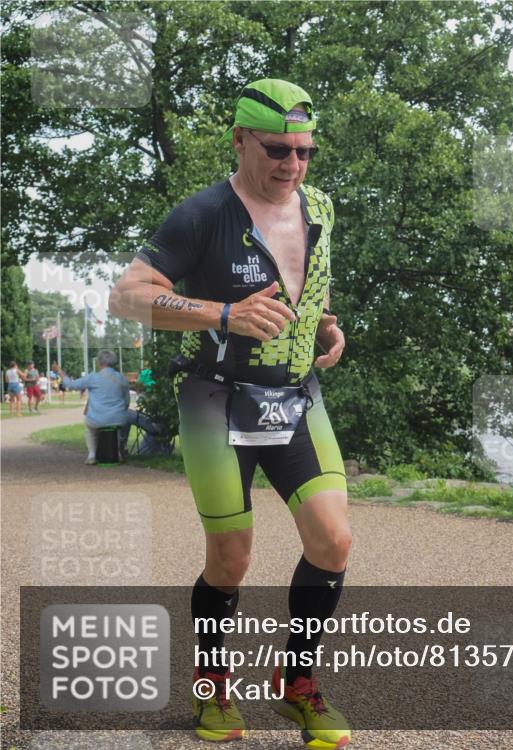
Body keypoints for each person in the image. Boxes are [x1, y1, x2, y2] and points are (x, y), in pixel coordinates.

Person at [109, 78, 350, 747]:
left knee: (333, 540)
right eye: (277, 149)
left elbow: (306, 287)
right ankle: (213, 685)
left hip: (295, 396)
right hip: (216, 398)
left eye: (305, 151)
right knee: (231, 558)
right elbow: (125, 297)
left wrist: (323, 325)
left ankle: (297, 683)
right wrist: (222, 314)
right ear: (240, 139)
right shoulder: (202, 214)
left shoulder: (320, 207)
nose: (293, 165)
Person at [53, 351, 131, 464]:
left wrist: (59, 371)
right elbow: (127, 401)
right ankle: (118, 453)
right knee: (116, 429)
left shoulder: (93, 377)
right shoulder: (122, 378)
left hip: (97, 419)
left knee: (90, 430)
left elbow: (71, 385)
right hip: (119, 418)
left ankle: (92, 455)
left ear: (99, 362)